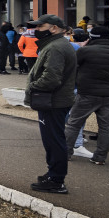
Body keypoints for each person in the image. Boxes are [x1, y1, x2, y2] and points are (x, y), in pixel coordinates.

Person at [24, 15, 77, 194]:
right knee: (52, 139)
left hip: (54, 101)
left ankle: (56, 179)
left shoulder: (55, 47)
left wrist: (32, 86)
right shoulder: (56, 45)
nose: (36, 30)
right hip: (56, 100)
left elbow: (51, 78)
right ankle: (53, 173)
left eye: (40, 27)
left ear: (54, 28)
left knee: (54, 140)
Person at [64, 25, 109, 166]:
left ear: (92, 37)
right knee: (106, 127)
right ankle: (100, 157)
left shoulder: (85, 51)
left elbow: (72, 70)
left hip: (86, 93)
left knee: (73, 123)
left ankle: (66, 153)